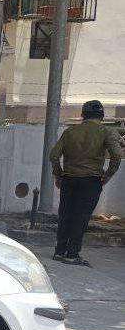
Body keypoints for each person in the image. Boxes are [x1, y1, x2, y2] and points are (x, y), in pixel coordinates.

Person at [49, 100, 122, 265]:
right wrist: (108, 175)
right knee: (81, 217)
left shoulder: (70, 132)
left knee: (65, 215)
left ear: (83, 115)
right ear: (102, 116)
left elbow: (54, 156)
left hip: (69, 179)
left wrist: (58, 175)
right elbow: (117, 155)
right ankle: (72, 254)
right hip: (91, 181)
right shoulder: (106, 132)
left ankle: (59, 252)